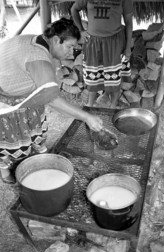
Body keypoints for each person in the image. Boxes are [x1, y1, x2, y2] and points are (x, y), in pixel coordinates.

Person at [0, 17, 103, 184]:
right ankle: (4, 171)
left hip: (25, 95)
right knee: (8, 138)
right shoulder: (37, 57)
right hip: (6, 100)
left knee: (33, 128)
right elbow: (52, 99)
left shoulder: (40, 41)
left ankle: (39, 154)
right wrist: (86, 117)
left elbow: (48, 91)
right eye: (69, 47)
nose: (72, 53)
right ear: (56, 40)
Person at [71, 0, 133, 108]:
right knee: (93, 75)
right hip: (93, 42)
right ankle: (90, 105)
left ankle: (113, 107)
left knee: (114, 76)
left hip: (115, 42)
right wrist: (80, 31)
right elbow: (74, 9)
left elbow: (129, 23)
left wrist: (128, 48)